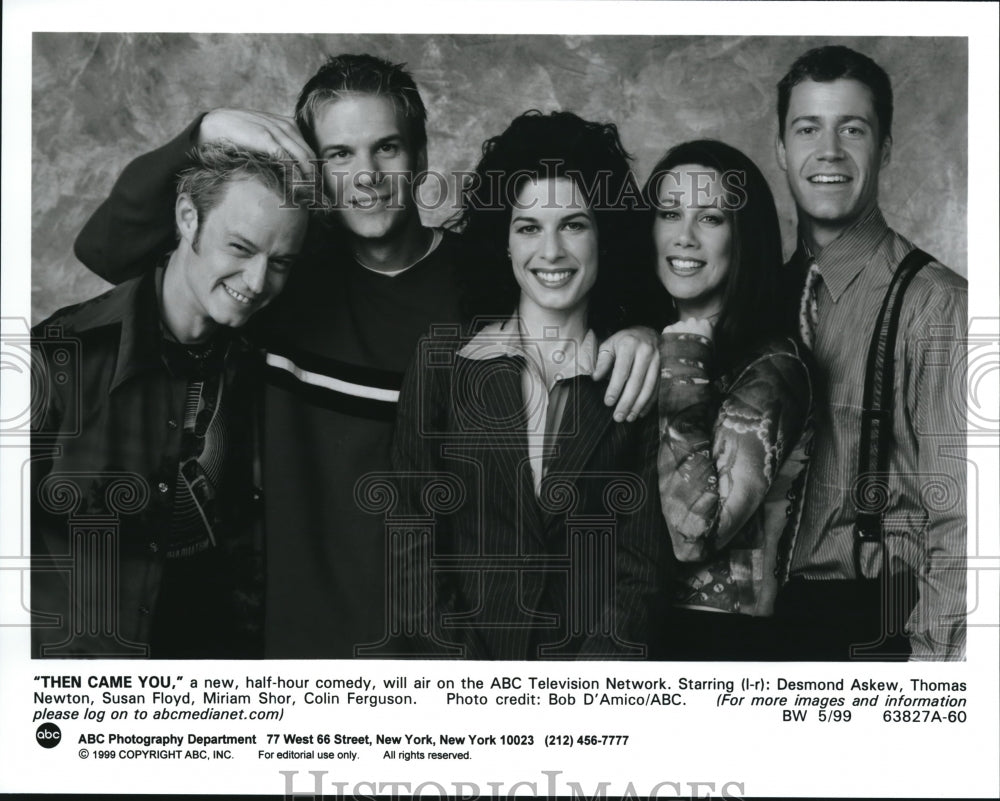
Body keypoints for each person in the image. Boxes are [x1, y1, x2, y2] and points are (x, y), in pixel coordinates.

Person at [71, 54, 660, 658]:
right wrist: (203, 132)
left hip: (443, 649)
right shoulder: (278, 274)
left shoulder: (482, 287)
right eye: (339, 154)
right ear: (314, 172)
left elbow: (577, 291)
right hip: (284, 644)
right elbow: (107, 250)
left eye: (387, 149)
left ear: (422, 159)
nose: (368, 176)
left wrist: (643, 330)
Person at [391, 111, 671, 660]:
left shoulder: (632, 374)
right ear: (504, 239)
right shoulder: (442, 365)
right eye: (528, 227)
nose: (551, 252)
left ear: (603, 236)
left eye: (573, 224)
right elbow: (412, 547)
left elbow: (639, 576)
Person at [32, 143, 309, 658]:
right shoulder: (58, 354)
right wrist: (200, 130)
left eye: (280, 263)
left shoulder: (264, 360)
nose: (257, 282)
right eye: (241, 248)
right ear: (187, 217)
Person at [773, 45, 967, 660]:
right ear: (782, 148)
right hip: (762, 629)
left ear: (884, 148)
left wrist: (930, 683)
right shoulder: (764, 298)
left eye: (851, 129)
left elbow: (964, 522)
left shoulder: (938, 305)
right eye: (808, 129)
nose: (828, 151)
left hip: (878, 627)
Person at [643, 140, 813, 660]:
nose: (685, 236)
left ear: (744, 236)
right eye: (670, 213)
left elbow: (693, 533)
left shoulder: (774, 367)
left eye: (711, 218)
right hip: (633, 625)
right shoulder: (648, 339)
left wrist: (685, 363)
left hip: (721, 643)